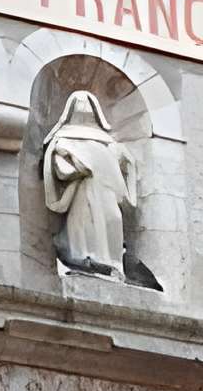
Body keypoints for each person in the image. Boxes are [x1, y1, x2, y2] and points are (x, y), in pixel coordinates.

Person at [41, 89, 137, 276]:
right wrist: (73, 160)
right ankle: (84, 263)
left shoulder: (107, 141)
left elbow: (125, 162)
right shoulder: (63, 138)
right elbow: (61, 171)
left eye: (87, 105)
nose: (83, 108)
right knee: (84, 225)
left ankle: (111, 264)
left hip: (106, 192)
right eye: (79, 105)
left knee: (113, 220)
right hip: (82, 193)